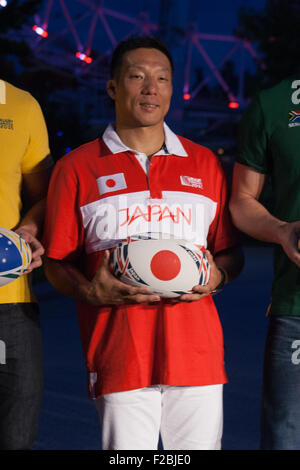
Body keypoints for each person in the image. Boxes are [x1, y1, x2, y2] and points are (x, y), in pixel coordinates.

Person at [43, 36, 243, 450]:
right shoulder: (76, 167)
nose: (151, 88)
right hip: (119, 354)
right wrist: (86, 290)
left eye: (163, 78)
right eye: (137, 76)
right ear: (114, 87)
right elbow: (56, 260)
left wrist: (218, 278)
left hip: (198, 355)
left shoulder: (205, 164)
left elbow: (229, 252)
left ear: (171, 89)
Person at [229, 73, 300, 449]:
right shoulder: (275, 104)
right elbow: (241, 200)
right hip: (296, 307)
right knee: (284, 440)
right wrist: (282, 230)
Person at [0, 79, 52, 449]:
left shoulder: (20, 104)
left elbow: (46, 194)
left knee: (15, 437)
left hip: (10, 303)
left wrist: (30, 229)